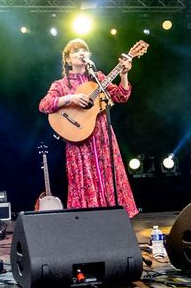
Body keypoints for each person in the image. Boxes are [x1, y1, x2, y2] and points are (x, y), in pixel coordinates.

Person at [39, 38, 138, 217]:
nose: (81, 53)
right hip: (78, 141)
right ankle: (88, 222)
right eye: (75, 51)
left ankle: (114, 219)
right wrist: (70, 98)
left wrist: (124, 74)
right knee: (84, 179)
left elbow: (121, 96)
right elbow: (44, 105)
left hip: (102, 136)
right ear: (67, 59)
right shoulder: (61, 85)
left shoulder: (99, 78)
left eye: (84, 50)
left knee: (109, 176)